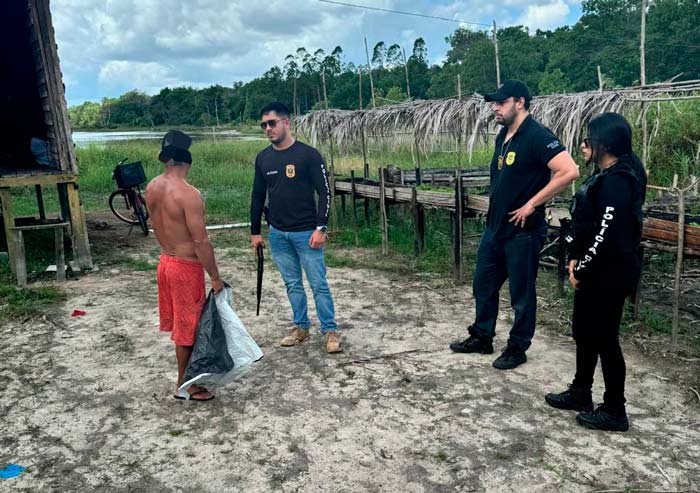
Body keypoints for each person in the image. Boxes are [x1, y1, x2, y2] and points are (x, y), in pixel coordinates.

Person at [449, 80, 579, 369]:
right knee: (483, 284)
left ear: (519, 102)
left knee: (521, 293)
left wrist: (532, 203)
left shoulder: (537, 136)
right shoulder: (503, 135)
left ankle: (518, 347)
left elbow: (569, 171)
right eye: (493, 103)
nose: (495, 107)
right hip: (495, 229)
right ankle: (482, 336)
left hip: (523, 233)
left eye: (501, 102)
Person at [545, 113, 647, 432]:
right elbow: (591, 227)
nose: (584, 144)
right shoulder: (605, 175)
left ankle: (615, 409)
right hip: (595, 270)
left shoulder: (619, 181)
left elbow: (607, 236)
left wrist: (582, 269)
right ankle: (580, 392)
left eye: (590, 139)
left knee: (605, 339)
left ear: (606, 143)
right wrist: (577, 260)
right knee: (585, 333)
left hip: (610, 273)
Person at [250, 102, 341, 354]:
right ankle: (301, 326)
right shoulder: (263, 158)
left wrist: (321, 227)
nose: (268, 129)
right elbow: (257, 196)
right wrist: (255, 231)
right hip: (278, 233)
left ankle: (330, 330)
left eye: (272, 123)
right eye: (263, 125)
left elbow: (324, 192)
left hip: (306, 232)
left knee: (318, 283)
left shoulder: (308, 155)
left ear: (286, 123)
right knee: (292, 283)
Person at [146, 130, 224, 401]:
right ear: (187, 162)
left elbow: (156, 224)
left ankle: (187, 380)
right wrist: (214, 276)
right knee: (187, 329)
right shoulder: (188, 194)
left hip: (165, 261)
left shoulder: (152, 186)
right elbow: (201, 241)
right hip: (184, 267)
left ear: (166, 160)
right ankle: (186, 385)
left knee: (183, 325)